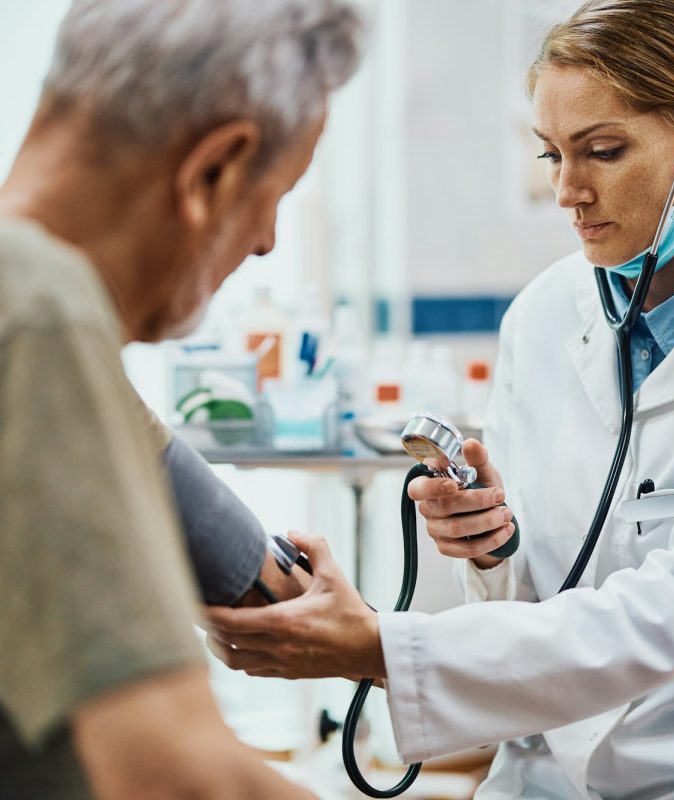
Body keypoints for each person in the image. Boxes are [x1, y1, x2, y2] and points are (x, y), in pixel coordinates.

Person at [205, 1, 674, 797]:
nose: (568, 191)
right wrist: (494, 546)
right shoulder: (543, 317)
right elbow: (535, 590)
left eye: (603, 151)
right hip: (536, 775)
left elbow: (673, 610)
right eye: (550, 156)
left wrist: (375, 646)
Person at [0, 1, 363, 798]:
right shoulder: (37, 311)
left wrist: (269, 580)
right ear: (214, 173)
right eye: (278, 192)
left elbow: (139, 450)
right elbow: (174, 773)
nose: (267, 239)